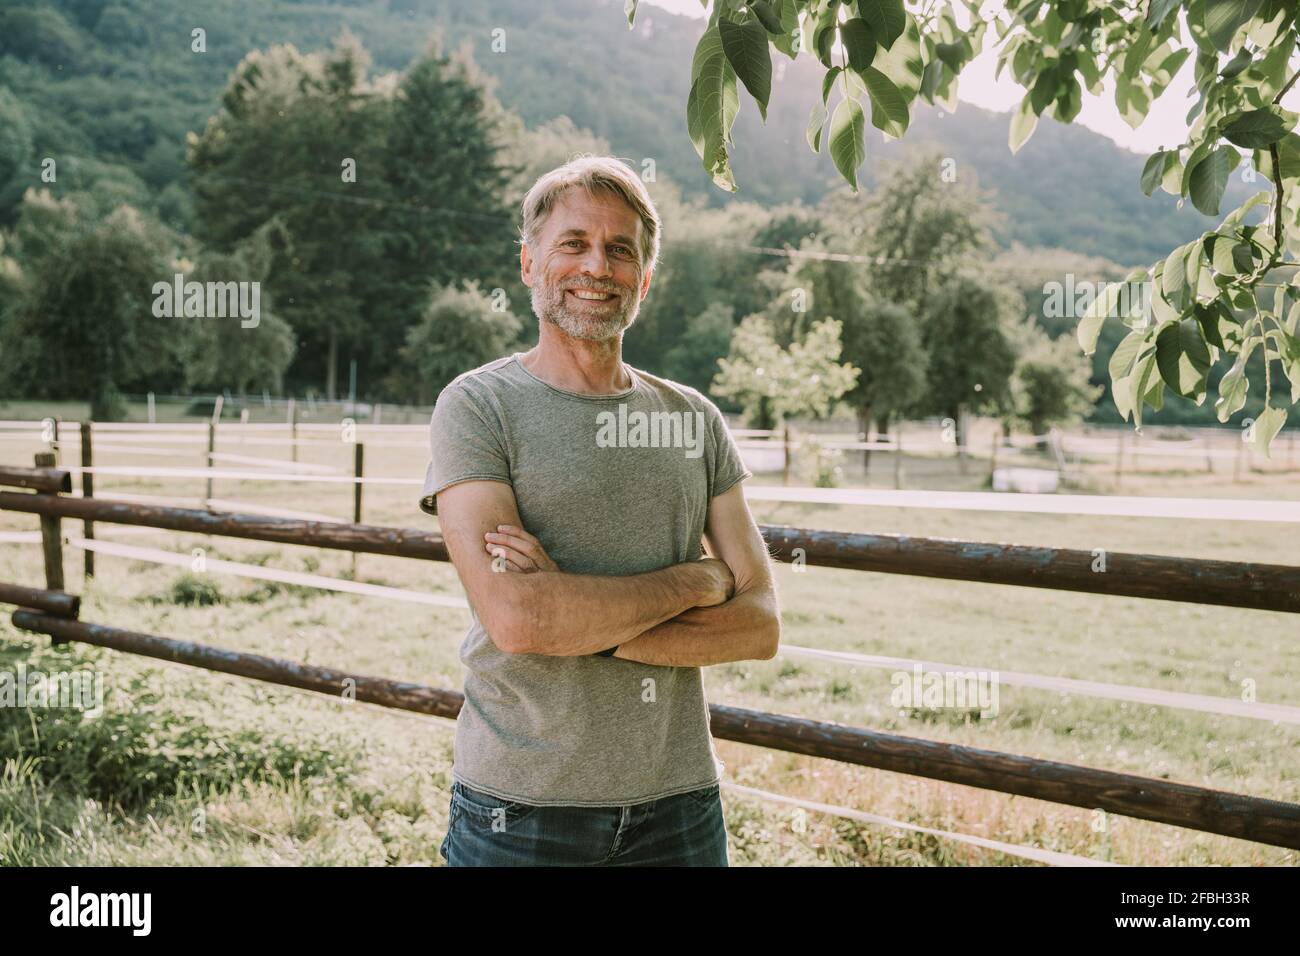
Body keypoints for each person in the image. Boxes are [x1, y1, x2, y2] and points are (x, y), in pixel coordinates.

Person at [419, 155, 781, 866]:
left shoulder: (693, 419)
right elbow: (519, 621)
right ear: (529, 264)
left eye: (621, 250)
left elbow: (762, 624)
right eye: (574, 243)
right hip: (520, 808)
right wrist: (696, 582)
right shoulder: (478, 406)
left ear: (643, 279)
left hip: (678, 805)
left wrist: (574, 615)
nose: (598, 265)